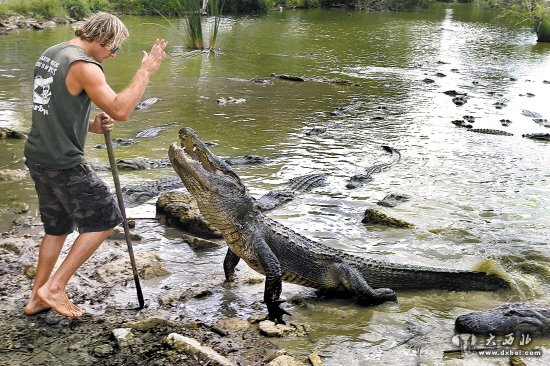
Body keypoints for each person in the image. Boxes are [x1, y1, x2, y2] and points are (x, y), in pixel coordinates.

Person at [23, 12, 167, 318]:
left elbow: (53, 108)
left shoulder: (52, 54)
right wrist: (145, 71)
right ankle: (55, 288)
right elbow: (121, 109)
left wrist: (90, 125)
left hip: (38, 156)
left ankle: (37, 299)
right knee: (106, 217)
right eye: (113, 49)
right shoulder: (84, 66)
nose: (112, 57)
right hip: (64, 161)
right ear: (101, 39)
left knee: (56, 228)